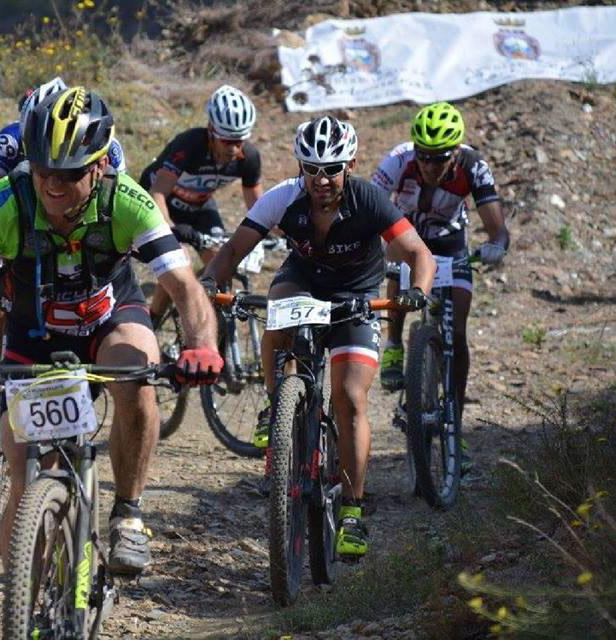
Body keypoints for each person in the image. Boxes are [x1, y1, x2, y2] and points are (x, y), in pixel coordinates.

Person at [0, 87, 221, 575]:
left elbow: (184, 287)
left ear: (99, 166)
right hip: (34, 330)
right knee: (26, 473)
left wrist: (201, 346)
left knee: (136, 377)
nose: (53, 184)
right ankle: (26, 596)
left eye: (70, 173)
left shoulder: (128, 202)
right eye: (42, 170)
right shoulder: (6, 203)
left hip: (109, 320)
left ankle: (128, 515)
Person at [201, 115, 435, 557]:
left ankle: (352, 512)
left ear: (350, 164)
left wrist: (418, 292)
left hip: (357, 293)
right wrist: (212, 282)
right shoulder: (283, 198)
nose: (321, 179)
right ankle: (278, 406)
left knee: (349, 398)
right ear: (300, 168)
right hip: (304, 281)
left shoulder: (370, 199)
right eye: (311, 168)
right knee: (276, 312)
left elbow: (419, 253)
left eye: (331, 168)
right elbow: (234, 249)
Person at [0, 77, 128, 363]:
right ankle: (2, 374)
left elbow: (115, 200)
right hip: (4, 221)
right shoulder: (9, 139)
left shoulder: (105, 146)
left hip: (63, 223)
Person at [371, 101, 509, 469]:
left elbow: (497, 226)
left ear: (457, 153)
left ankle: (455, 424)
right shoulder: (398, 161)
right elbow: (367, 207)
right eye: (424, 157)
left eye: (440, 158)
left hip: (450, 244)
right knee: (396, 268)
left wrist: (497, 245)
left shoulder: (473, 166)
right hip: (407, 238)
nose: (430, 166)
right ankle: (395, 344)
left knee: (457, 335)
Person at [139, 84, 263, 323]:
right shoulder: (190, 145)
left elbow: (258, 207)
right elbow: (158, 194)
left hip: (199, 205)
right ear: (211, 131)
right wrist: (171, 231)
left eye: (240, 140)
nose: (234, 148)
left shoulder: (249, 157)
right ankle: (152, 320)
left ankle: (206, 313)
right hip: (161, 202)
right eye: (227, 141)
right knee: (177, 260)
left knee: (222, 260)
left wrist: (285, 232)